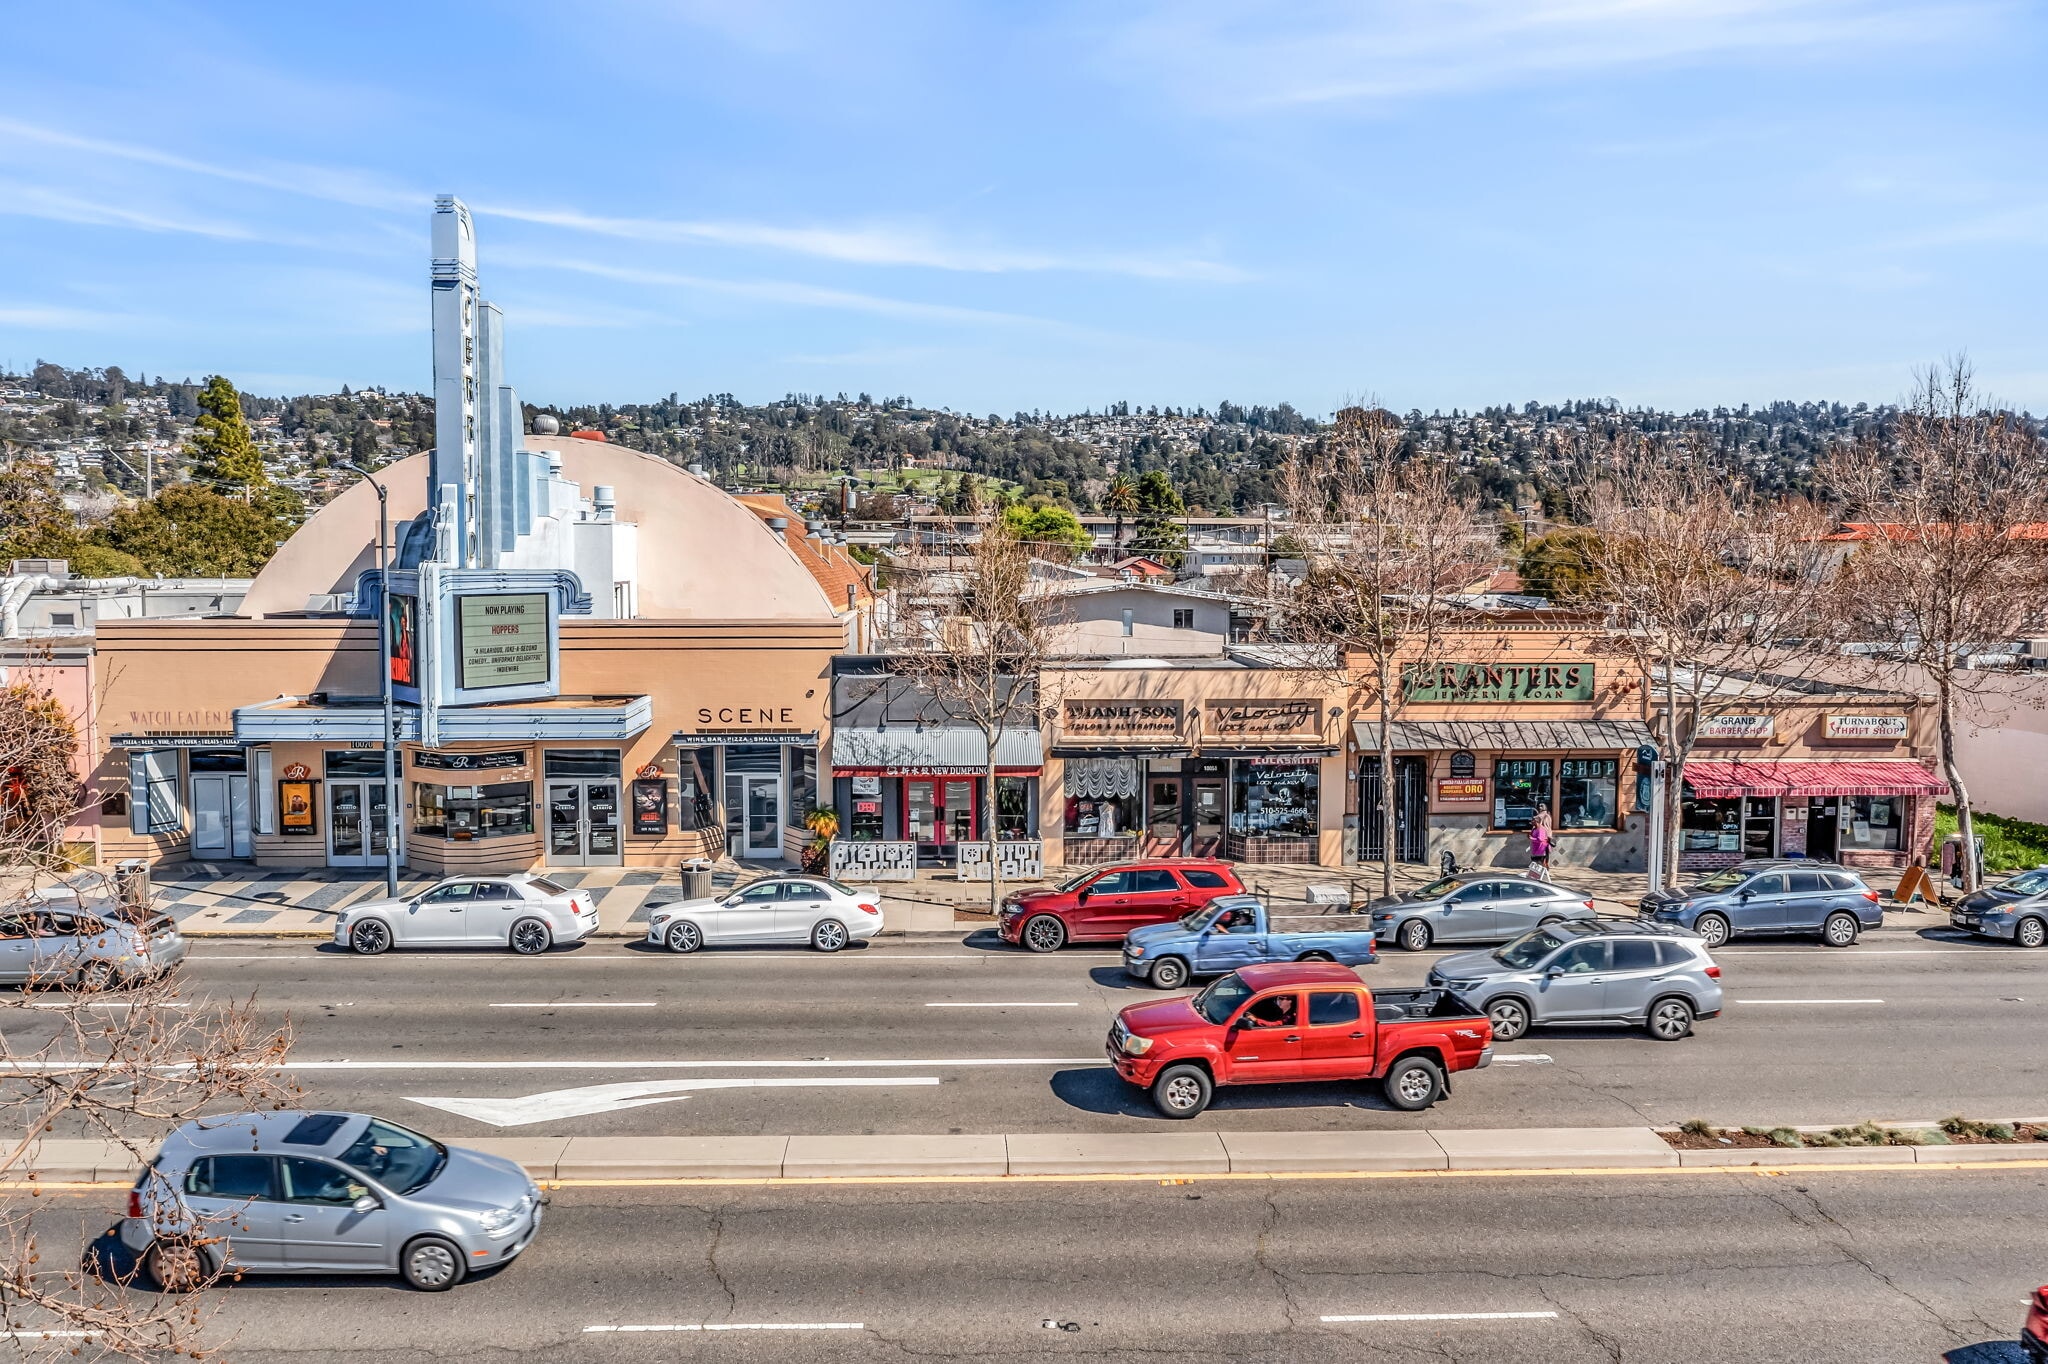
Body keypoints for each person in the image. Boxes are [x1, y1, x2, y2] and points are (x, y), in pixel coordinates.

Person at [1527, 808, 1553, 882]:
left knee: (1541, 864)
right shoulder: (1534, 829)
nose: (1531, 822)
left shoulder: (1541, 829)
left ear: (1537, 822)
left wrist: (1532, 838)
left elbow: (1540, 839)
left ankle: (1544, 876)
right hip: (1535, 849)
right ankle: (1537, 876)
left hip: (1541, 849)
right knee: (1535, 863)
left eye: (1533, 821)